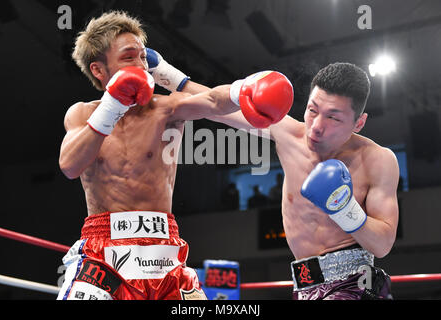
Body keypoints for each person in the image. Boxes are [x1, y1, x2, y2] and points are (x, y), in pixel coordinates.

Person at [57, 11, 293, 300]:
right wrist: (112, 105)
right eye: (129, 57)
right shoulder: (83, 113)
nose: (141, 65)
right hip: (104, 252)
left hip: (164, 253)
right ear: (98, 70)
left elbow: (211, 100)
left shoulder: (165, 109)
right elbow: (69, 165)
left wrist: (244, 88)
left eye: (143, 57)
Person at [157, 59, 399, 300]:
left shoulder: (377, 160)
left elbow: (382, 244)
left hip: (354, 284)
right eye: (312, 110)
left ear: (359, 122)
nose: (316, 126)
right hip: (303, 285)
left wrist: (344, 208)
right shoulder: (288, 134)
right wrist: (162, 71)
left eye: (333, 118)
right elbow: (215, 106)